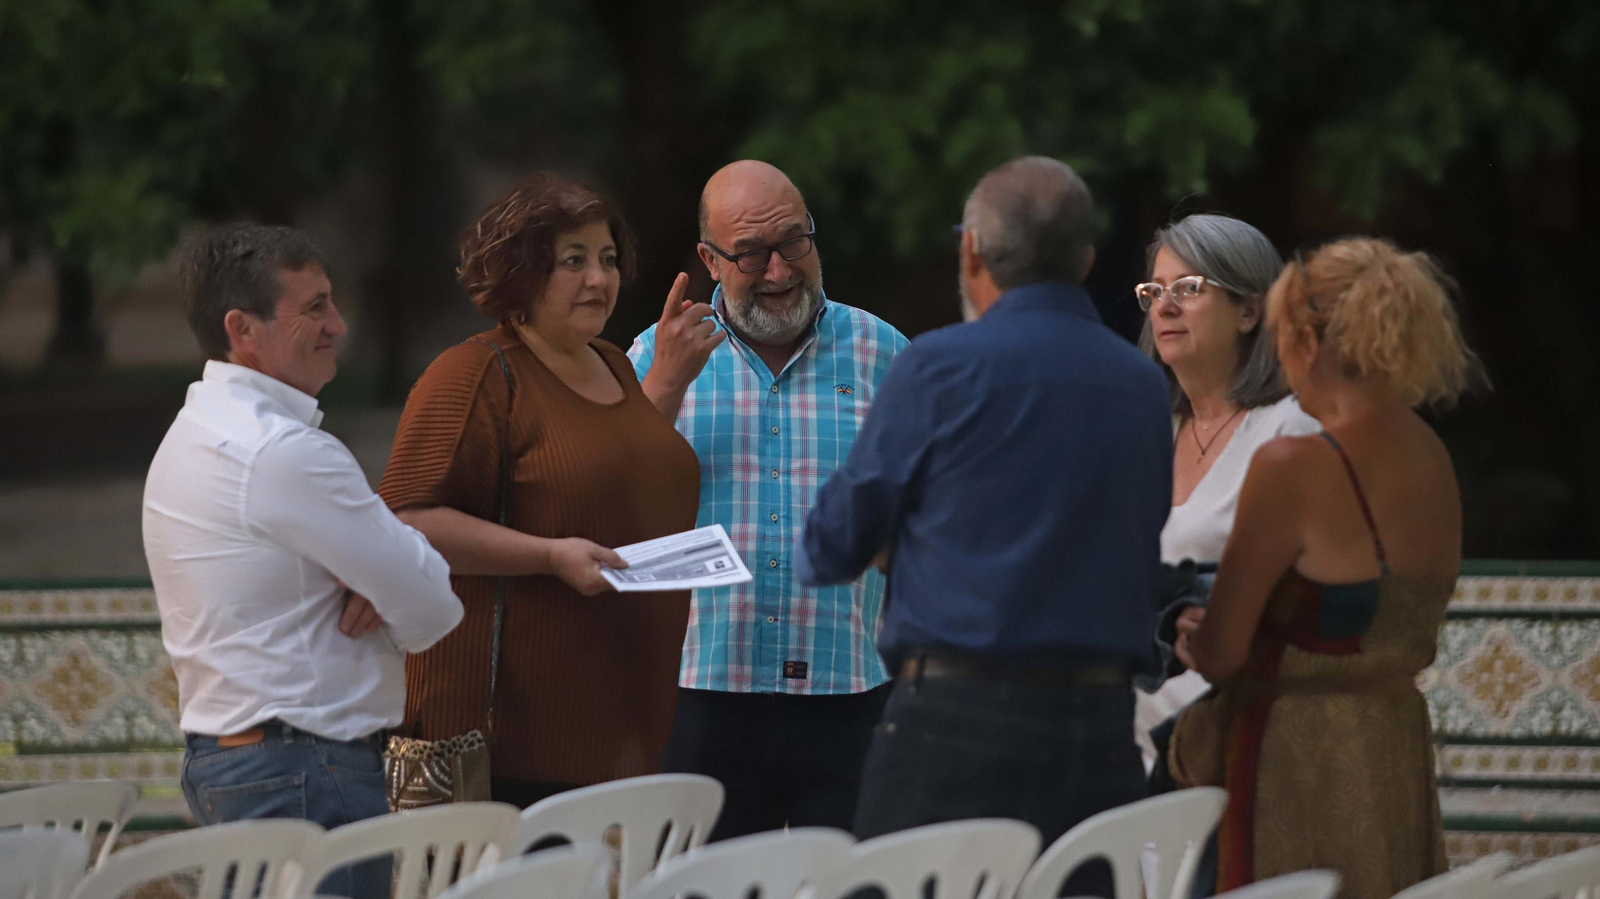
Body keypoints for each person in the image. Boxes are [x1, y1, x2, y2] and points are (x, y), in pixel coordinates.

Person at [799, 156, 1172, 872]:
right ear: (1086, 259)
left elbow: (831, 544)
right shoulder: (1142, 384)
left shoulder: (940, 365)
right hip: (1098, 729)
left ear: (970, 248)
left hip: (953, 726)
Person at [145, 223, 463, 899]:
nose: (338, 325)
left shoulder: (198, 427)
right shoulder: (280, 451)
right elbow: (433, 603)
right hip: (305, 767)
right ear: (243, 328)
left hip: (240, 762)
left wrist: (380, 571)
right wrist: (389, 572)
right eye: (313, 307)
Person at [377, 174, 702, 808]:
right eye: (573, 262)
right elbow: (405, 520)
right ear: (521, 272)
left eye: (608, 260)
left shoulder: (611, 362)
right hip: (509, 744)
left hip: (623, 726)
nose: (599, 280)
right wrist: (548, 557)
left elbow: (606, 469)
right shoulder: (475, 373)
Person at [1170, 238, 1480, 899]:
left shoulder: (1295, 466)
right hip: (1393, 744)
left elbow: (1223, 652)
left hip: (1296, 761)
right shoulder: (1433, 457)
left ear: (1306, 339)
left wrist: (1189, 631)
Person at [627, 160, 909, 840]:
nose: (780, 270)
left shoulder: (885, 353)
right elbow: (608, 509)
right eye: (751, 253)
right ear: (709, 260)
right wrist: (663, 386)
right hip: (701, 690)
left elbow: (937, 515)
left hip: (849, 687)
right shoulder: (654, 356)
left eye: (793, 242)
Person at [1132, 214, 1321, 768]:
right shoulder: (1148, 432)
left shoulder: (1290, 429)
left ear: (1248, 309)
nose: (1165, 306)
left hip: (1240, 737)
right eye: (1155, 291)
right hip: (1131, 729)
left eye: (1189, 289)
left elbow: (1301, 607)